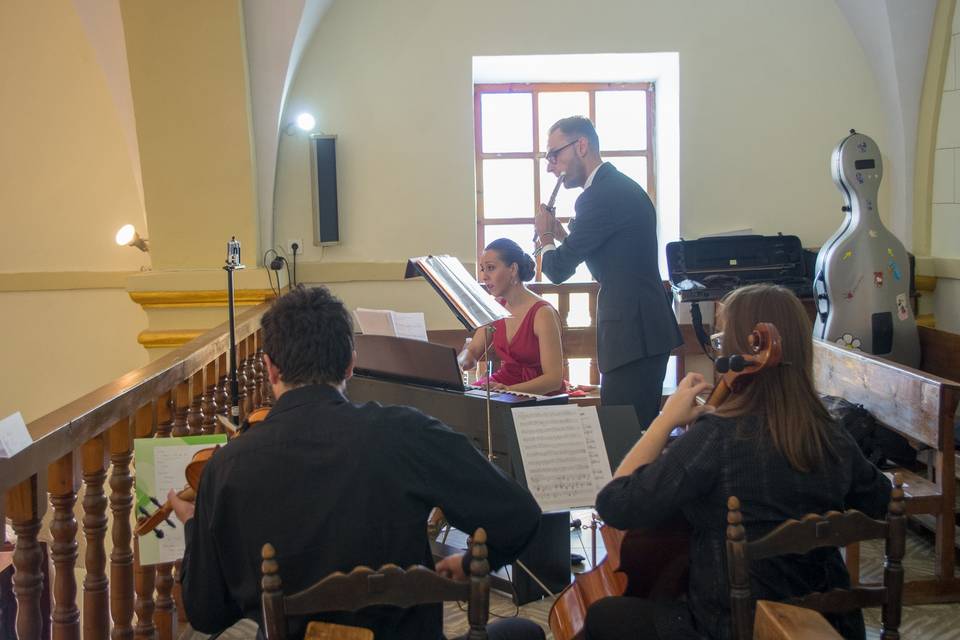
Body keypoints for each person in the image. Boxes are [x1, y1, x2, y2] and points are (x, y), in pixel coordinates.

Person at [169, 285, 546, 640]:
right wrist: (467, 565)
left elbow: (206, 614)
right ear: (350, 362)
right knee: (524, 632)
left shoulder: (229, 466)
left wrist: (194, 528)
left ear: (270, 368)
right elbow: (520, 516)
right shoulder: (408, 432)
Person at [583, 284, 893, 640]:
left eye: (720, 341)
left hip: (733, 628)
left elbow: (616, 504)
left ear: (738, 352)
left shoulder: (717, 437)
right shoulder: (832, 435)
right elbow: (880, 500)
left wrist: (664, 420)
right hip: (829, 627)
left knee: (605, 616)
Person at [534, 116, 682, 430]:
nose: (550, 166)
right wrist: (561, 236)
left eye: (554, 155)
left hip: (633, 335)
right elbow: (612, 253)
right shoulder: (615, 186)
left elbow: (558, 270)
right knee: (630, 433)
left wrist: (545, 236)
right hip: (641, 328)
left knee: (622, 438)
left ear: (582, 145)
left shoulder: (598, 196)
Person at [458, 238, 564, 395]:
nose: (484, 276)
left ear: (513, 269)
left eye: (491, 268)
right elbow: (473, 351)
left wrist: (510, 390)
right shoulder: (495, 308)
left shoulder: (542, 313)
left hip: (538, 392)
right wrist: (457, 364)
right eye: (483, 269)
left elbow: (553, 380)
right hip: (503, 385)